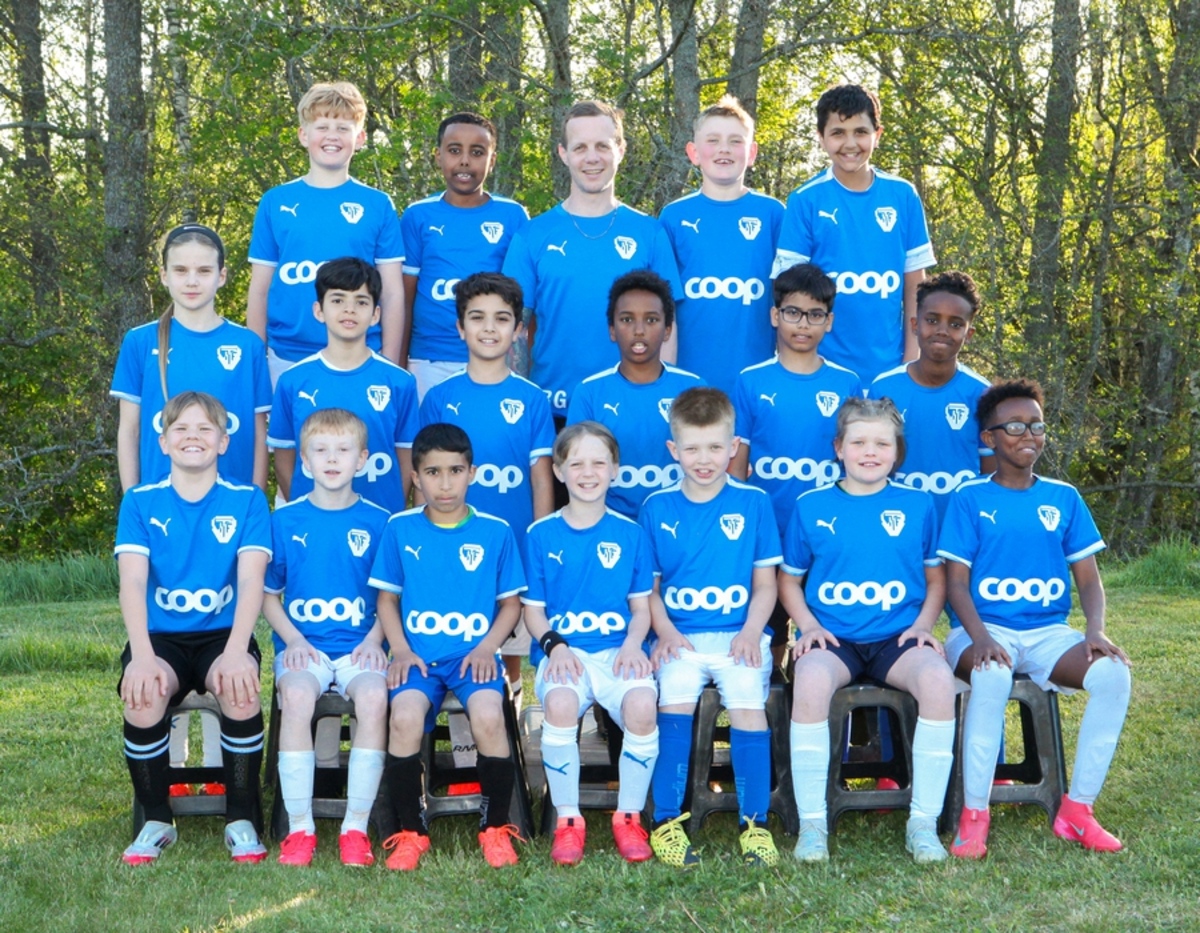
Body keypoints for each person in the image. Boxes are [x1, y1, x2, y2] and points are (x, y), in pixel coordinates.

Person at [937, 379, 1132, 857]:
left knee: (1113, 675)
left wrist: (1095, 630)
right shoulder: (968, 497)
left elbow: (1088, 580)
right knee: (991, 675)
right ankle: (974, 815)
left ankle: (1077, 811)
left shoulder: (1064, 497)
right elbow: (956, 584)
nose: (1028, 435)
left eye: (1037, 425)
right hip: (979, 630)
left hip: (1047, 633)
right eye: (1015, 426)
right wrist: (980, 638)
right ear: (989, 437)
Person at [111, 223, 270, 794]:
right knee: (164, 631)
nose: (192, 280)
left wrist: (255, 502)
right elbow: (130, 430)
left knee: (223, 628)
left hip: (227, 515)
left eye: (204, 270)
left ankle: (229, 773)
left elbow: (257, 433)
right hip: (163, 516)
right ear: (163, 275)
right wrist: (134, 500)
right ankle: (173, 769)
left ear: (223, 276)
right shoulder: (141, 342)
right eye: (180, 269)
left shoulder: (246, 346)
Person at [778, 397, 955, 863]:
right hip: (835, 638)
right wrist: (808, 626)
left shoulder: (918, 505)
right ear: (838, 448)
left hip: (897, 638)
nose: (870, 452)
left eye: (882, 443)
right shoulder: (811, 505)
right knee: (810, 681)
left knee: (938, 681)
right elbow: (788, 580)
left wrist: (923, 625)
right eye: (858, 442)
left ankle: (923, 823)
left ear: (898, 451)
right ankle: (813, 825)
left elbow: (936, 578)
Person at [116, 392, 271, 865]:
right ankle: (156, 819)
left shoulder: (247, 500)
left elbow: (251, 580)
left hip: (223, 634)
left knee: (239, 688)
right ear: (163, 442)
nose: (193, 437)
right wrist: (142, 657)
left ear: (223, 442)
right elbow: (132, 582)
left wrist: (238, 649)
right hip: (161, 638)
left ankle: (241, 818)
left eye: (205, 429)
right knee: (144, 692)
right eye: (181, 429)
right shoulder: (140, 501)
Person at [369, 423, 527, 870]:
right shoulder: (400, 528)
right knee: (403, 717)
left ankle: (495, 827)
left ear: (471, 473)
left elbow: (511, 605)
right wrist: (401, 650)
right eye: (432, 472)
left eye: (455, 471)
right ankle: (411, 832)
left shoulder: (495, 531)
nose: (444, 483)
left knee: (489, 717)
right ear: (415, 477)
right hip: (418, 658)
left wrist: (488, 647)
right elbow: (386, 600)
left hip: (472, 658)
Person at [639, 387, 782, 867]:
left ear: (734, 447)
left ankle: (755, 825)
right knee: (674, 702)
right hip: (680, 636)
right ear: (673, 449)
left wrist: (751, 632)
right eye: (693, 448)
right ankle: (666, 822)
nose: (704, 459)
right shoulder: (656, 507)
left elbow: (766, 584)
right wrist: (665, 632)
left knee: (747, 703)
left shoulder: (754, 502)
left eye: (716, 447)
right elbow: (649, 589)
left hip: (739, 635)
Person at [523, 422, 659, 865]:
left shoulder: (631, 533)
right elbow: (533, 611)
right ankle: (568, 820)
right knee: (561, 703)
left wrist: (634, 644)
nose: (588, 472)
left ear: (615, 469)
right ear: (558, 471)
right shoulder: (540, 534)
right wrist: (555, 646)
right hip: (566, 653)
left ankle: (629, 817)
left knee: (642, 705)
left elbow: (641, 608)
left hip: (618, 650)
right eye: (576, 463)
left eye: (599, 462)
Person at [264, 408, 392, 867]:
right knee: (297, 696)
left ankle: (355, 827)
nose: (332, 459)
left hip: (361, 647)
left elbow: (391, 597)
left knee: (374, 698)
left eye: (343, 450)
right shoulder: (285, 520)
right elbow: (268, 595)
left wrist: (375, 639)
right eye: (320, 450)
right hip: (305, 647)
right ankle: (300, 829)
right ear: (304, 460)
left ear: (362, 460)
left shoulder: (382, 521)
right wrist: (294, 641)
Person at [419, 272, 555, 701]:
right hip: (452, 547)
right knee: (460, 644)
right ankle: (459, 734)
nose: (489, 328)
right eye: (477, 318)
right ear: (460, 328)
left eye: (502, 318)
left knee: (508, 647)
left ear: (518, 329)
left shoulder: (532, 399)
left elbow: (541, 480)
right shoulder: (439, 398)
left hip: (512, 544)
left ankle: (510, 716)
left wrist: (539, 545)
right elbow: (423, 480)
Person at [503, 100, 682, 417]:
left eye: (602, 145)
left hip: (631, 409)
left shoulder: (650, 233)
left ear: (621, 150)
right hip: (552, 411)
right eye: (580, 147)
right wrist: (520, 408)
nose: (592, 157)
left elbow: (667, 327)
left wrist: (657, 399)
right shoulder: (531, 236)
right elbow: (514, 330)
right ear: (563, 153)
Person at [772, 84, 936, 383]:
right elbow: (789, 295)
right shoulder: (805, 200)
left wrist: (911, 360)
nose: (850, 143)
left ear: (877, 134)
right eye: (838, 133)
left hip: (889, 368)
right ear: (821, 138)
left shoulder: (903, 195)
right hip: (823, 370)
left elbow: (915, 285)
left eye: (860, 132)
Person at [246, 81, 405, 382]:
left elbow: (393, 292)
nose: (332, 136)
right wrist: (257, 362)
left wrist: (390, 362)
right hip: (287, 357)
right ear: (303, 135)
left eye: (343, 128)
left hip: (361, 355)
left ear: (360, 138)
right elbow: (259, 289)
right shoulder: (275, 202)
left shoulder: (377, 204)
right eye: (322, 127)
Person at [268, 257, 418, 515]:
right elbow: (284, 459)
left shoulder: (399, 382)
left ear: (375, 314)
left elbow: (406, 459)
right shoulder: (293, 381)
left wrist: (391, 513)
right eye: (338, 300)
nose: (349, 310)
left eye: (361, 302)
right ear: (319, 310)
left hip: (380, 523)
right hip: (313, 524)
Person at [659, 95, 783, 395]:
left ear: (751, 153)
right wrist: (665, 381)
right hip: (690, 384)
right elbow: (663, 308)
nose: (724, 149)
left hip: (756, 384)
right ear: (694, 153)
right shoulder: (674, 217)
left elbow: (789, 302)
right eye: (713, 140)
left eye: (735, 141)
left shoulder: (773, 214)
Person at [400, 112, 529, 398]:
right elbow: (404, 300)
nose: (465, 161)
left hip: (492, 358)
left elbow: (521, 301)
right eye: (455, 150)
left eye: (478, 152)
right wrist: (399, 367)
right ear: (438, 156)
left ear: (492, 160)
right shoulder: (418, 215)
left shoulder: (512, 215)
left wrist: (518, 368)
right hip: (429, 359)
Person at [566, 270, 702, 519]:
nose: (639, 330)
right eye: (627, 319)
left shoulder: (692, 389)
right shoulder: (589, 392)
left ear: (667, 330)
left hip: (681, 523)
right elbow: (578, 472)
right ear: (612, 330)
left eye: (651, 320)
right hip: (612, 527)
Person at [869, 270, 994, 519]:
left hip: (959, 528)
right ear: (915, 325)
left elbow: (990, 474)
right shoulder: (884, 388)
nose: (942, 330)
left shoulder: (982, 393)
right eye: (932, 320)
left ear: (968, 334)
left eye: (955, 324)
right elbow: (869, 464)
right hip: (900, 524)